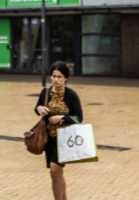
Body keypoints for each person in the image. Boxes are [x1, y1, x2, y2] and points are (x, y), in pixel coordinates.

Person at [34, 62, 83, 200]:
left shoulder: (71, 95)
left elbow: (79, 118)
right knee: (57, 173)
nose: (55, 80)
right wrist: (38, 109)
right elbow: (37, 107)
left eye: (59, 77)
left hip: (65, 139)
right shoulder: (46, 92)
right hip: (49, 137)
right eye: (53, 76)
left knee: (55, 170)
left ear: (66, 78)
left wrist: (62, 118)